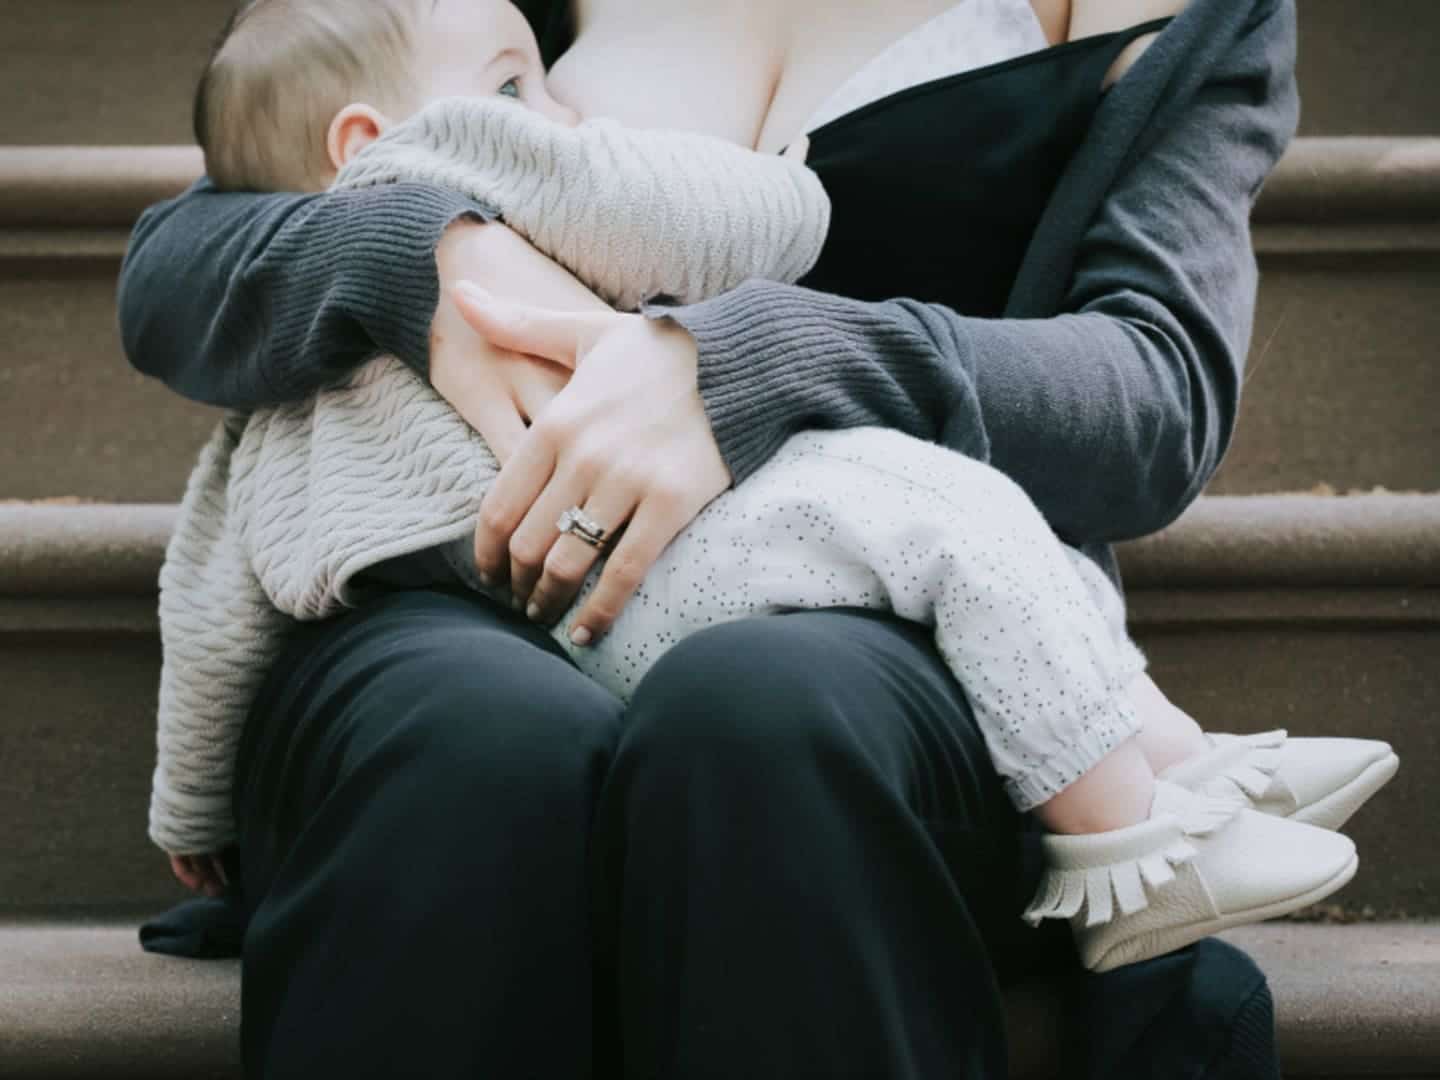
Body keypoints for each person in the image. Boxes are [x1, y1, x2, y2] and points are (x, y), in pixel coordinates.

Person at [121, 0, 1321, 1073]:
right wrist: (423, 251)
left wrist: (751, 363)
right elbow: (182, 256)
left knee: (764, 718)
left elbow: (1153, 395)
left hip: (872, 619)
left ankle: (1137, 771)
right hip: (453, 565)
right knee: (476, 740)